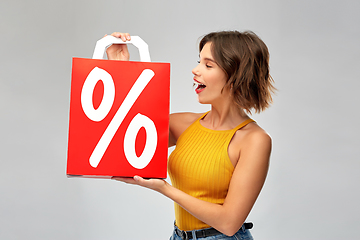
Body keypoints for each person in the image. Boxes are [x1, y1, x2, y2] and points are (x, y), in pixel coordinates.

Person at [109, 30, 275, 240]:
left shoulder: (254, 140)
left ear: (236, 75)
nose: (195, 70)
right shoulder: (183, 124)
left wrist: (164, 189)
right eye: (199, 61)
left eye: (208, 65)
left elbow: (229, 222)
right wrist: (118, 68)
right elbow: (120, 133)